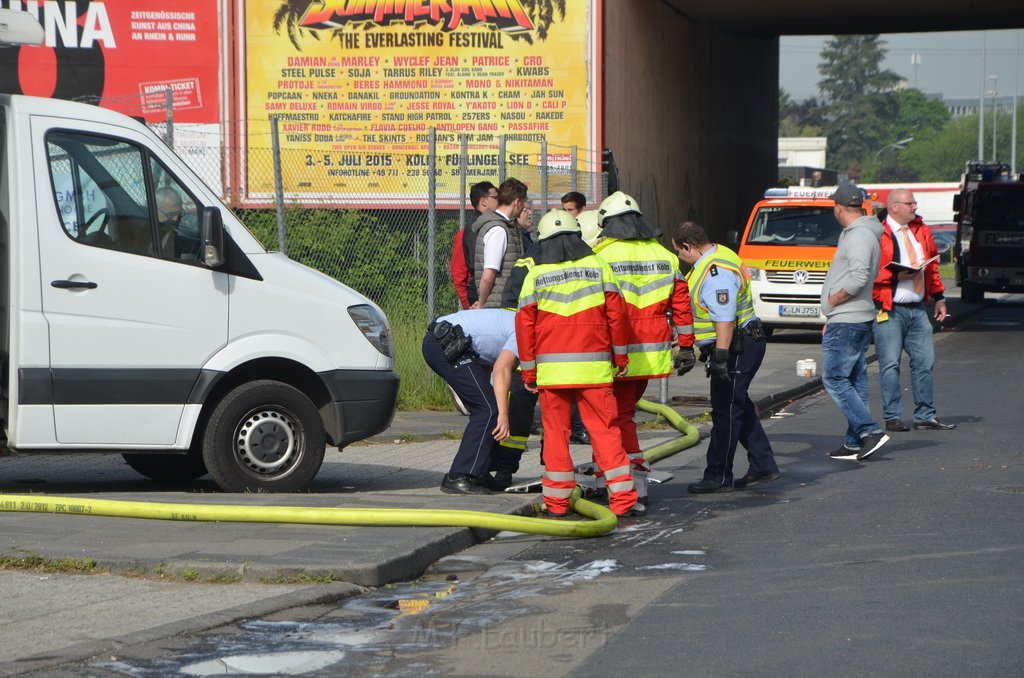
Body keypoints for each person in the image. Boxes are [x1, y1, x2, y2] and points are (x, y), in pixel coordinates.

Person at [516, 209, 644, 518]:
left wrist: (529, 371)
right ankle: (623, 501)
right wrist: (620, 357)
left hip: (552, 374)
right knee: (606, 432)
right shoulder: (598, 265)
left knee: (556, 436)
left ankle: (557, 504)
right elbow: (617, 314)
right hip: (595, 371)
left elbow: (524, 327)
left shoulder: (535, 274)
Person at [594, 192, 695, 504]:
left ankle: (626, 481)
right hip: (650, 355)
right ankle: (619, 477)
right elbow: (682, 303)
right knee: (622, 415)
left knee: (613, 419)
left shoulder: (600, 256)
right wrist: (688, 346)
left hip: (615, 353)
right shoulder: (666, 257)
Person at [669, 221, 780, 493]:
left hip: (737, 345)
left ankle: (718, 476)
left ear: (687, 246)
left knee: (726, 410)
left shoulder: (714, 271)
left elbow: (725, 319)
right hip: (742, 341)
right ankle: (763, 465)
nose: (681, 258)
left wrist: (719, 356)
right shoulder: (722, 255)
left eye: (680, 252)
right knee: (736, 402)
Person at [872, 189, 956, 432]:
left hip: (918, 308)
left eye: (914, 202)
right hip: (890, 308)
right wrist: (895, 274)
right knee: (889, 364)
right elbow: (869, 269)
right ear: (894, 206)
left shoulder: (920, 230)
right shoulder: (878, 231)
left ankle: (925, 415)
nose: (914, 206)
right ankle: (893, 416)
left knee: (925, 361)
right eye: (910, 203)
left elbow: (932, 267)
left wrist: (939, 297)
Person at [820, 183, 890, 461]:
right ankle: (853, 442)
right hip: (853, 318)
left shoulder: (858, 235)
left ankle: (869, 431)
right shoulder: (860, 233)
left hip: (848, 318)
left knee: (835, 378)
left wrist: (834, 300)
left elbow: (859, 276)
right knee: (854, 379)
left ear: (838, 208)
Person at [422, 308, 521, 494]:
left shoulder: (524, 323)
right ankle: (458, 476)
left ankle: (478, 473)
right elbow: (501, 370)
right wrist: (504, 415)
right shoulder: (524, 329)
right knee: (488, 409)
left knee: (488, 407)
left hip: (453, 341)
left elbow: (490, 361)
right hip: (444, 341)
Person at [471, 178, 528, 308]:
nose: (525, 206)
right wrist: (481, 303)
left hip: (503, 303)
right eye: (524, 202)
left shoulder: (508, 226)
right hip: (498, 306)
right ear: (517, 202)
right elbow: (488, 274)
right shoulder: (498, 230)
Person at [452, 181, 498, 309]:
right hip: (478, 299)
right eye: (495, 198)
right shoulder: (471, 231)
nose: (500, 202)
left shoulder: (494, 226)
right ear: (483, 202)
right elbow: (459, 275)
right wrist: (468, 306)